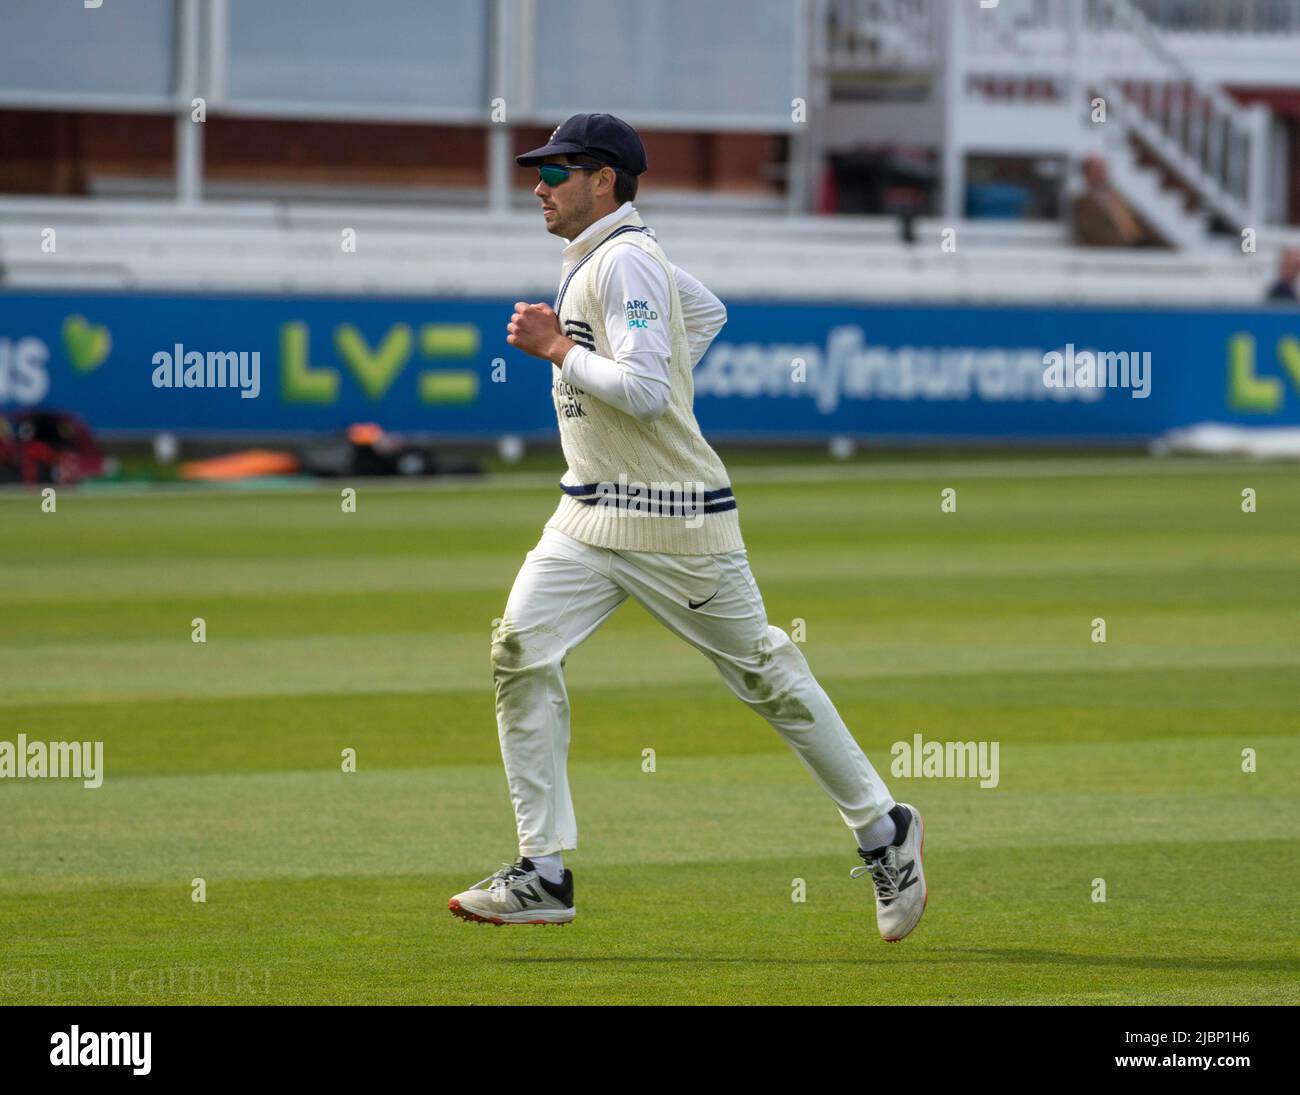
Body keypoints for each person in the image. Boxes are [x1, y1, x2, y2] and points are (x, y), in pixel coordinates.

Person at [446, 113, 927, 942]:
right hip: (589, 513)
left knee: (767, 678)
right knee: (520, 651)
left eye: (559, 171)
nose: (540, 185)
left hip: (675, 517)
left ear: (607, 181)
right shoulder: (619, 257)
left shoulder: (625, 258)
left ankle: (886, 831)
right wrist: (643, 374)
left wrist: (558, 349)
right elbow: (704, 313)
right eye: (541, 170)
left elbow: (638, 389)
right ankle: (545, 871)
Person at [1072, 154, 1161, 247]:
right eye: (1097, 170)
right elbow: (1090, 231)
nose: (1102, 174)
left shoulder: (1117, 197)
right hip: (1112, 248)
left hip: (1138, 244)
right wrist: (1123, 240)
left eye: (1103, 170)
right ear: (1086, 173)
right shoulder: (1081, 202)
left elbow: (1137, 220)